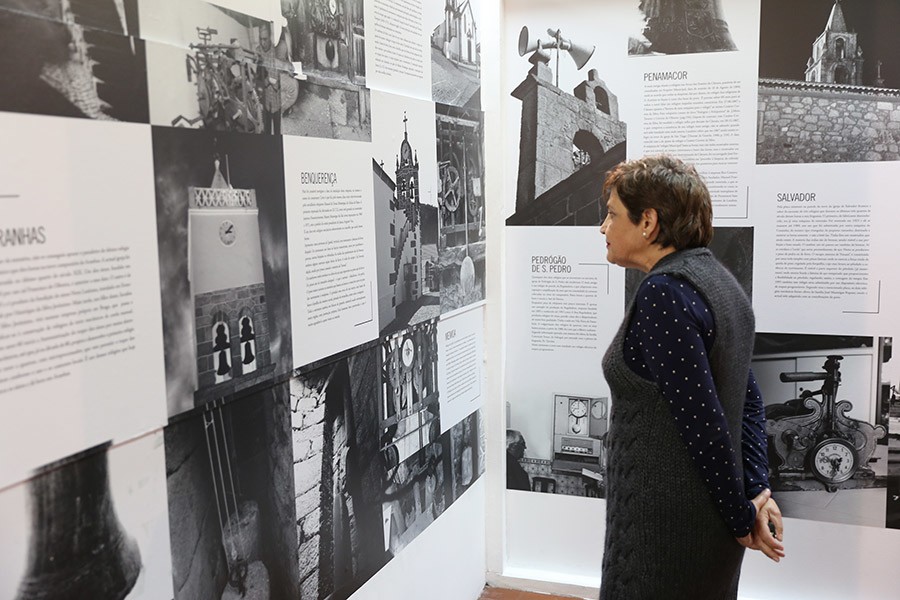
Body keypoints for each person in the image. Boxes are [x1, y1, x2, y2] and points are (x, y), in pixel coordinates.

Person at [598, 155, 784, 599]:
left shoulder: (664, 294)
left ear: (648, 222)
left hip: (665, 536)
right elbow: (747, 398)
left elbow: (703, 424)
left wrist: (742, 516)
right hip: (705, 529)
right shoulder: (720, 283)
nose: (603, 228)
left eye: (612, 214)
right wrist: (756, 491)